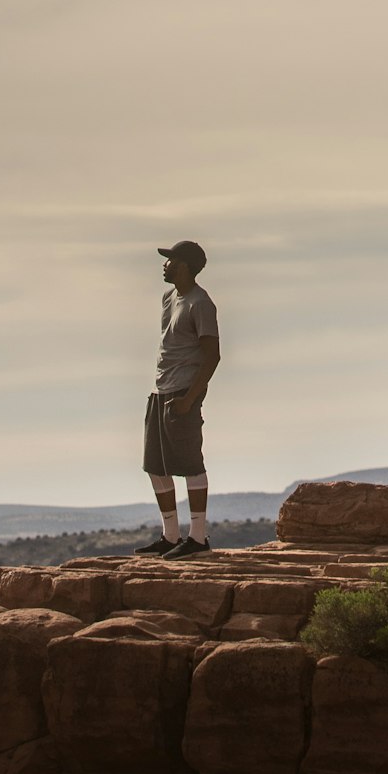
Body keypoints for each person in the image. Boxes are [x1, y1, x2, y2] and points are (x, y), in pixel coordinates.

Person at [134, 238, 220, 558]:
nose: (164, 265)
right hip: (161, 388)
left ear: (183, 266)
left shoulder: (201, 303)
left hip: (184, 390)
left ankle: (197, 538)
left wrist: (190, 398)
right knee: (155, 464)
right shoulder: (169, 297)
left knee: (190, 463)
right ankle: (171, 537)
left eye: (169, 260)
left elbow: (212, 356)